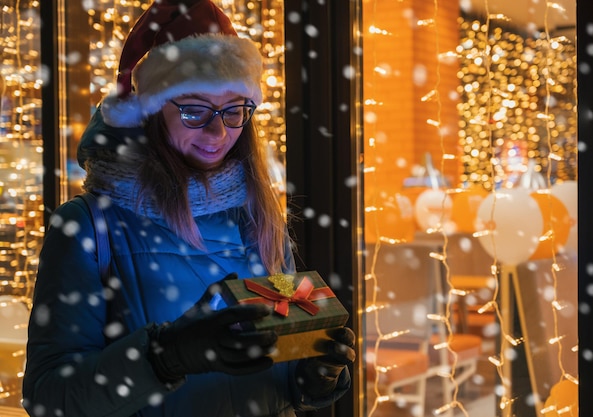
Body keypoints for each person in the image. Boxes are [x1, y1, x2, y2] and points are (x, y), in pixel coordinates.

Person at [22, 1, 355, 416]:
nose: (218, 131)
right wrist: (165, 357)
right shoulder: (88, 227)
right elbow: (49, 398)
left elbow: (275, 372)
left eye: (234, 109)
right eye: (195, 109)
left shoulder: (258, 219)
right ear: (150, 109)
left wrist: (312, 373)